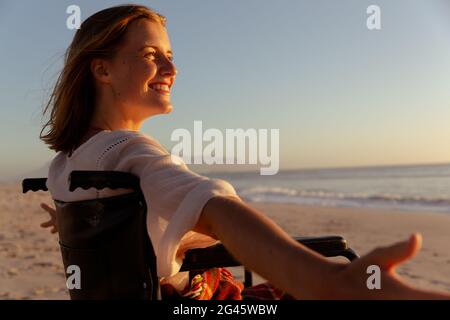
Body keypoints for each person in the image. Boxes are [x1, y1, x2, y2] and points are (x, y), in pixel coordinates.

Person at [38, 4, 449, 300]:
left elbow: (98, 215)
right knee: (327, 264)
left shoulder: (69, 163)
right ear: (103, 69)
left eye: (170, 55)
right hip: (202, 304)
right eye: (151, 56)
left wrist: (70, 221)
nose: (171, 68)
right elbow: (215, 208)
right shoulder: (131, 151)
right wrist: (328, 281)